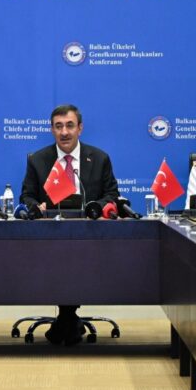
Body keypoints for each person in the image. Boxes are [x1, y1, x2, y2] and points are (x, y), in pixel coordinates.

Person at [20, 104, 120, 346]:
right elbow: (27, 196)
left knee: (75, 261)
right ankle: (68, 318)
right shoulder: (38, 160)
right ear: (51, 129)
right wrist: (38, 207)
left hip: (89, 236)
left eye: (69, 126)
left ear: (80, 128)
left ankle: (66, 319)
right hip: (49, 237)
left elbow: (112, 195)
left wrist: (95, 207)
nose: (64, 132)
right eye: (58, 126)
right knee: (60, 261)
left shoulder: (99, 158)